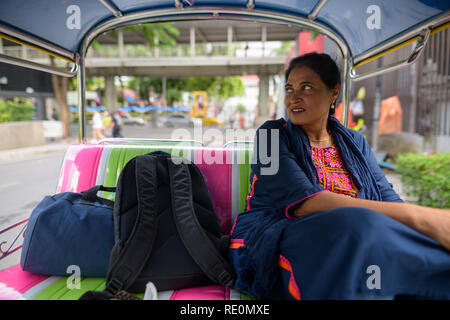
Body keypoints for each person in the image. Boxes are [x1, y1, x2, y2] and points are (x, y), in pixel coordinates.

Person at [228, 52, 450, 300]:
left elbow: (387, 198)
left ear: (333, 93)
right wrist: (421, 216)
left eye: (307, 87)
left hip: (356, 234)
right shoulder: (270, 136)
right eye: (289, 89)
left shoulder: (355, 141)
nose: (294, 97)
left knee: (415, 244)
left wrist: (428, 227)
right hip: (273, 237)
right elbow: (304, 202)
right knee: (360, 227)